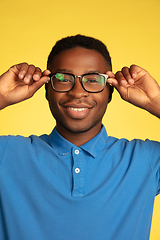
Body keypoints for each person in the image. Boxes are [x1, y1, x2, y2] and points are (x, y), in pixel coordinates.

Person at [0, 34, 160, 240]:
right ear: (46, 89)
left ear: (110, 92)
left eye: (93, 80)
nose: (77, 92)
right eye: (63, 79)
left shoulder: (145, 159)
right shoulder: (7, 154)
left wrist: (155, 101)